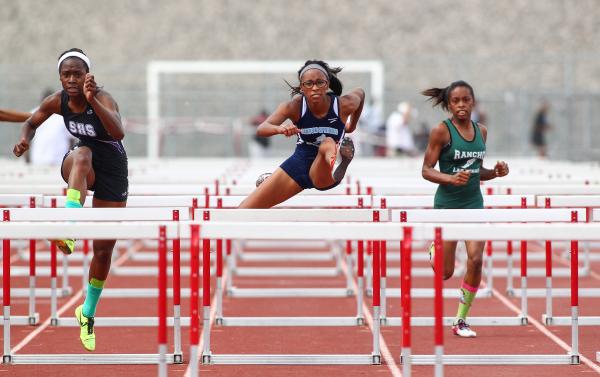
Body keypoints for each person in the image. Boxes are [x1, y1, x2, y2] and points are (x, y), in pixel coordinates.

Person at [13, 48, 128, 352]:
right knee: (82, 153)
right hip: (82, 165)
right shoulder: (57, 101)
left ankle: (86, 313)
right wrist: (26, 137)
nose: (73, 79)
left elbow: (118, 132)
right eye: (67, 74)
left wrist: (92, 102)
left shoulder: (102, 98)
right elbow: (31, 121)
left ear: (87, 75)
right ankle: (69, 224)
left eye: (78, 73)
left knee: (103, 250)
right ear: (60, 77)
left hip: (113, 169)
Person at [421, 80, 509, 338]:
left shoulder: (481, 131)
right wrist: (450, 178)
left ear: (473, 102)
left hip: (474, 204)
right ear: (449, 104)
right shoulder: (441, 131)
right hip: (447, 205)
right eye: (456, 101)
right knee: (446, 272)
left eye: (465, 100)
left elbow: (476, 169)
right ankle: (434, 249)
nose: (461, 105)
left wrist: (495, 172)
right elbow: (426, 170)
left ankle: (461, 320)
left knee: (476, 258)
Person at [239, 59, 365, 208]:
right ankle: (274, 180)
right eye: (309, 84)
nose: (315, 88)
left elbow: (361, 93)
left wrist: (351, 126)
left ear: (328, 84)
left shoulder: (343, 104)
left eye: (320, 83)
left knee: (327, 143)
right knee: (244, 209)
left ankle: (340, 160)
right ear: (302, 88)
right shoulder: (294, 106)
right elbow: (262, 128)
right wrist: (280, 129)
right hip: (298, 165)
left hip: (323, 175)